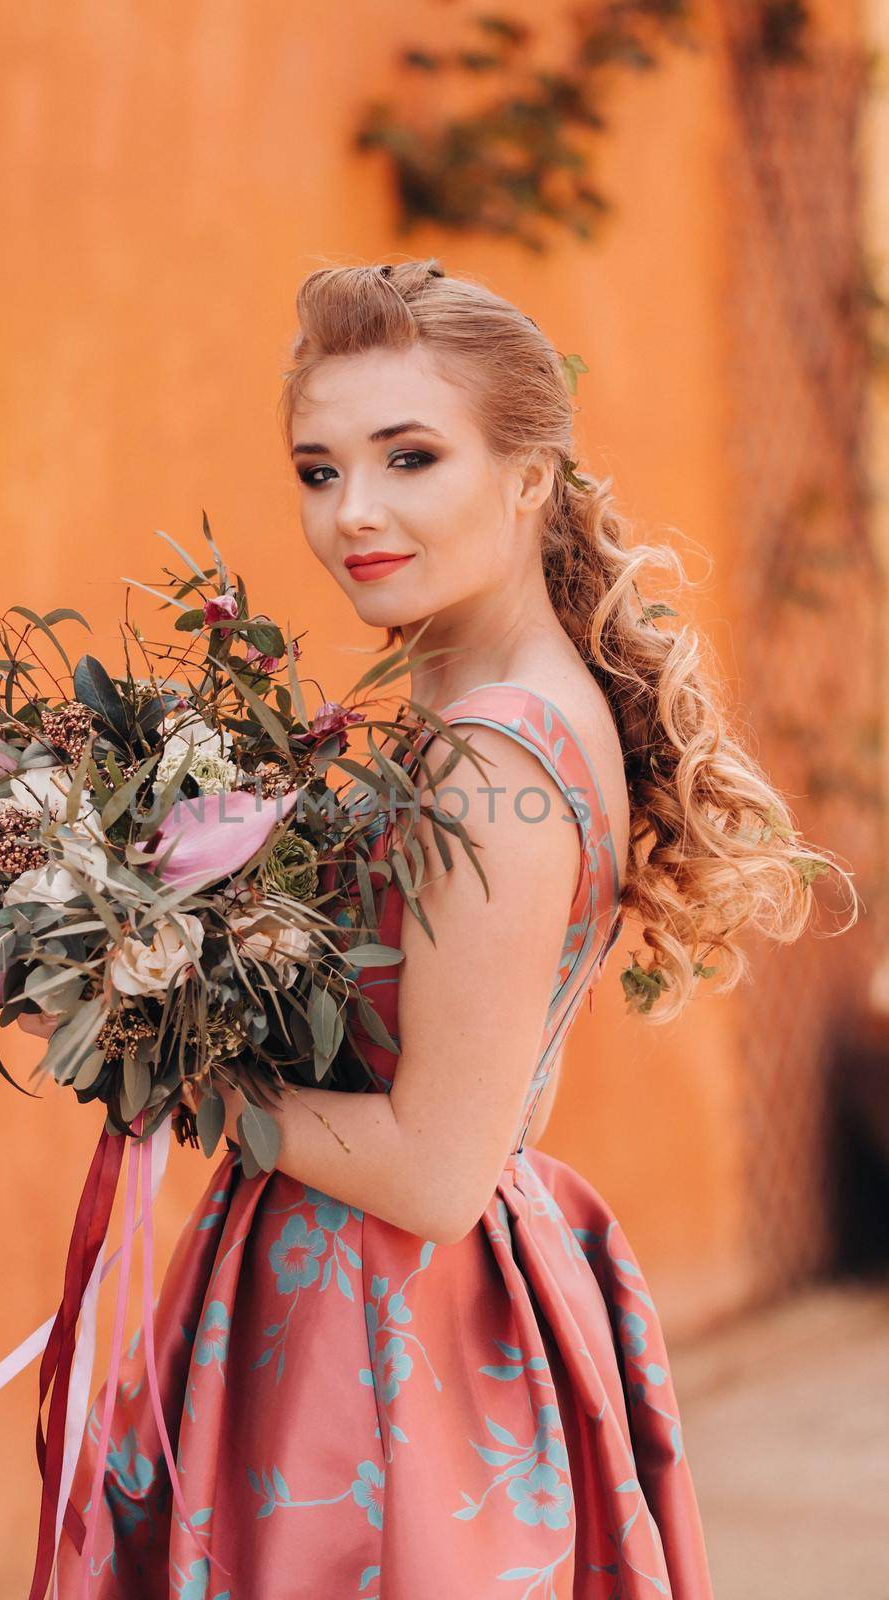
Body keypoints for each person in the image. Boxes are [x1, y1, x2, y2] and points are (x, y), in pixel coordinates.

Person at [55, 258, 857, 1597]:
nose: (352, 511)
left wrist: (166, 1062)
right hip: (366, 1289)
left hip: (381, 1332)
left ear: (529, 473)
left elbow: (434, 1166)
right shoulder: (469, 688)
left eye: (410, 457)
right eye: (319, 470)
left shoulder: (498, 765)